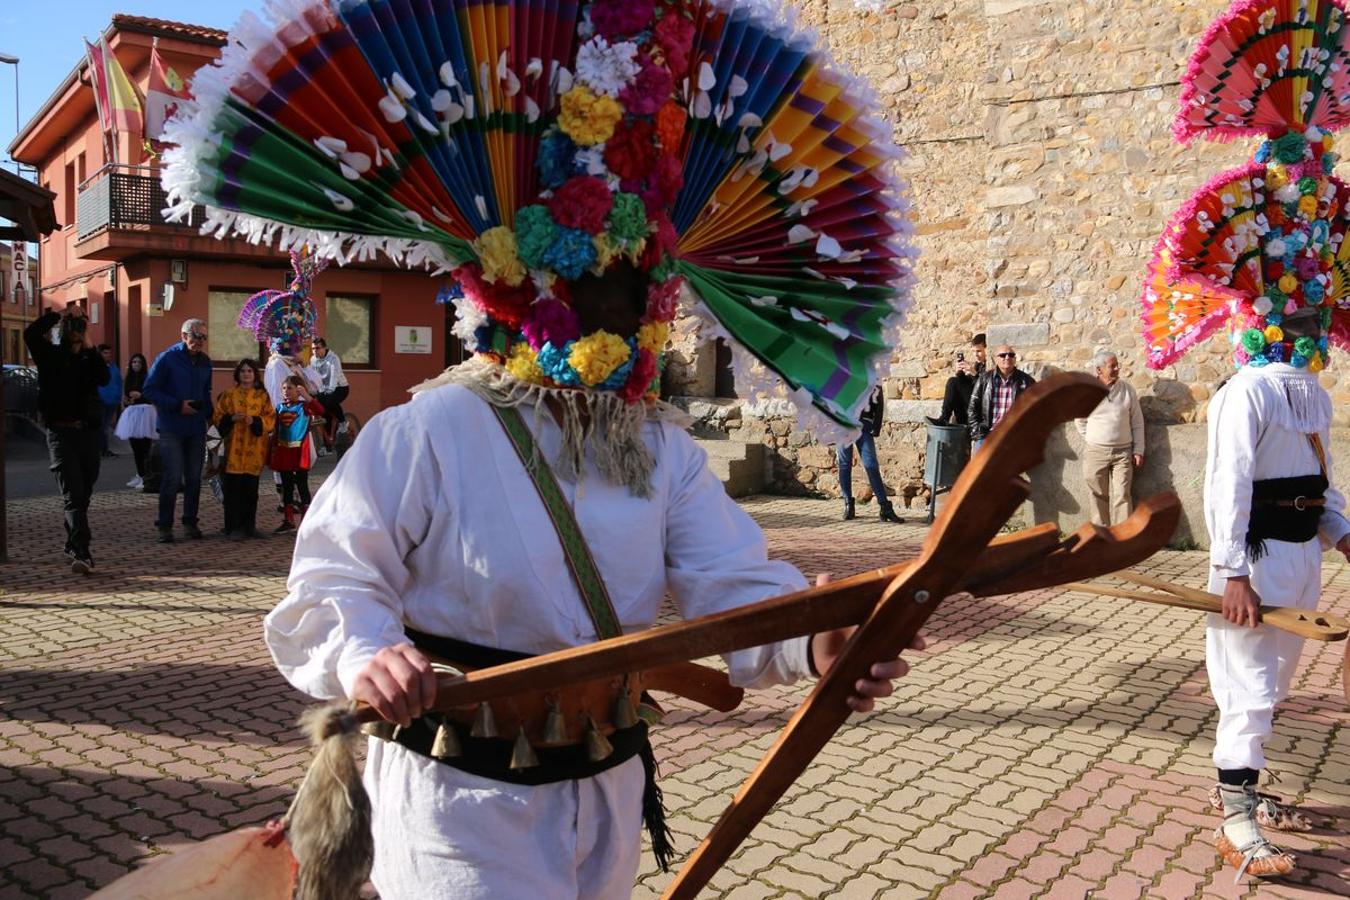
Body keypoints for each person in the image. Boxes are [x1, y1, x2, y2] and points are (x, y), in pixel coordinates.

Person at [23, 305, 110, 574]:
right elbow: (30, 334)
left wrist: (89, 343)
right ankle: (82, 552)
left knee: (84, 493)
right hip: (60, 434)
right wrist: (58, 315)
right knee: (73, 495)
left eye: (80, 327)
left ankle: (73, 542)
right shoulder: (50, 355)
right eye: (75, 327)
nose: (77, 332)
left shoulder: (89, 358)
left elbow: (104, 378)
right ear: (64, 331)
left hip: (88, 433)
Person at [143, 319, 214, 543]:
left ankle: (190, 522)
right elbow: (149, 390)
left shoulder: (205, 362)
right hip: (171, 427)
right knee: (173, 477)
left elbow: (206, 392)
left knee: (194, 477)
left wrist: (212, 418)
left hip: (196, 428)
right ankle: (164, 526)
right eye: (196, 336)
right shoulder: (167, 358)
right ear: (184, 335)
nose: (200, 341)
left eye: (204, 337)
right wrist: (176, 405)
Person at [1075, 349, 1145, 526]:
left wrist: (1138, 450)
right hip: (1096, 452)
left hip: (1123, 452)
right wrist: (1094, 439)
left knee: (1122, 494)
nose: (1116, 369)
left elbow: (1137, 422)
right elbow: (1080, 421)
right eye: (1111, 366)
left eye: (1117, 365)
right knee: (1097, 494)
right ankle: (1102, 535)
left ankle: (1123, 537)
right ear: (1099, 370)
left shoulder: (1127, 390)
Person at [212, 359, 277, 540]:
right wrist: (231, 418)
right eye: (243, 371)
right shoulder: (228, 395)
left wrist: (254, 421)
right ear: (237, 374)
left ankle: (250, 526)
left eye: (249, 371)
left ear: (255, 374)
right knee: (233, 490)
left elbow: (270, 419)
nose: (246, 374)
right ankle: (233, 527)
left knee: (250, 489)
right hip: (233, 450)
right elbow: (217, 418)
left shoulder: (262, 396)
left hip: (254, 450)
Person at [837, 385, 904, 523]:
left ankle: (885, 507)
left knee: (871, 465)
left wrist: (877, 425)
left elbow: (878, 394)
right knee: (844, 464)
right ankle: (848, 503)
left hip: (864, 424)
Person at [269, 375, 323, 533]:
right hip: (284, 451)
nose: (286, 391)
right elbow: (276, 430)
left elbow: (320, 410)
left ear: (299, 390)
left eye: (290, 388)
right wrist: (273, 449)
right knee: (286, 486)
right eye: (284, 388)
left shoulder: (304, 407)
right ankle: (289, 520)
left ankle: (307, 521)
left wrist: (306, 396)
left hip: (300, 452)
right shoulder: (279, 408)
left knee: (302, 485)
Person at [967, 343, 1035, 449]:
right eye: (1003, 355)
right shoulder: (984, 379)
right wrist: (977, 432)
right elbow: (972, 407)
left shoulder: (1027, 381)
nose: (1007, 357)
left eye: (1011, 355)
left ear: (1015, 359)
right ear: (995, 359)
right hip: (988, 434)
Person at [117, 353, 156, 490]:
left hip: (145, 413)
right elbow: (127, 398)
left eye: (139, 362)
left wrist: (141, 395)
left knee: (144, 447)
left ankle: (146, 476)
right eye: (134, 362)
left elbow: (152, 396)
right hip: (132, 414)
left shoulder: (148, 378)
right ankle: (140, 474)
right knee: (135, 447)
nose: (136, 365)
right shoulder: (129, 378)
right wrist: (127, 401)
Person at [937, 332, 986, 426]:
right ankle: (944, 418)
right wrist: (960, 373)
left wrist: (974, 373)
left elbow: (986, 387)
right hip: (972, 402)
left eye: (979, 351)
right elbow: (968, 384)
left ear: (986, 350)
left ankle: (944, 419)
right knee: (953, 381)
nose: (976, 355)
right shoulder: (979, 364)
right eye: (973, 351)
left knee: (953, 382)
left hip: (982, 405)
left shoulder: (991, 365)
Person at [310, 336, 349, 452]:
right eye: (313, 349)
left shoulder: (333, 358)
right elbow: (312, 376)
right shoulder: (313, 359)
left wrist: (330, 390)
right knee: (324, 414)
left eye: (317, 348)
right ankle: (327, 446)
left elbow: (334, 375)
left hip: (340, 387)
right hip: (323, 389)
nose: (315, 351)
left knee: (330, 401)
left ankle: (342, 423)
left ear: (324, 348)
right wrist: (311, 390)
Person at [96, 344, 123, 458]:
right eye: (105, 353)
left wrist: (118, 397)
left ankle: (103, 450)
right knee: (101, 427)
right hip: (100, 401)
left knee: (105, 427)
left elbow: (118, 382)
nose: (108, 355)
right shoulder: (96, 367)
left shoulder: (113, 367)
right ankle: (101, 450)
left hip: (112, 402)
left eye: (109, 353)